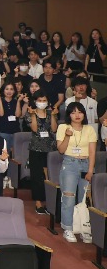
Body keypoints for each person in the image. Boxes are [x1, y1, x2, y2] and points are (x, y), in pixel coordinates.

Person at [56, 102, 97, 243]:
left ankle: (83, 227)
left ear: (84, 114)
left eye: (80, 112)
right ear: (69, 115)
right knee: (68, 197)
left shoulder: (90, 129)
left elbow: (92, 152)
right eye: (73, 112)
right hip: (69, 163)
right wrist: (67, 136)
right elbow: (61, 150)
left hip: (86, 164)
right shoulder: (63, 127)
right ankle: (68, 228)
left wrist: (90, 171)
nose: (77, 115)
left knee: (83, 199)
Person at [25, 90, 57, 214]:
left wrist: (54, 115)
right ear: (35, 101)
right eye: (39, 100)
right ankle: (38, 203)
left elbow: (54, 129)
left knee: (48, 177)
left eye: (44, 101)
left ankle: (49, 202)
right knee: (37, 176)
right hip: (36, 149)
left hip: (50, 149)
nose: (42, 103)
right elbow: (34, 129)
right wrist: (33, 115)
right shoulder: (29, 114)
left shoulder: (51, 113)